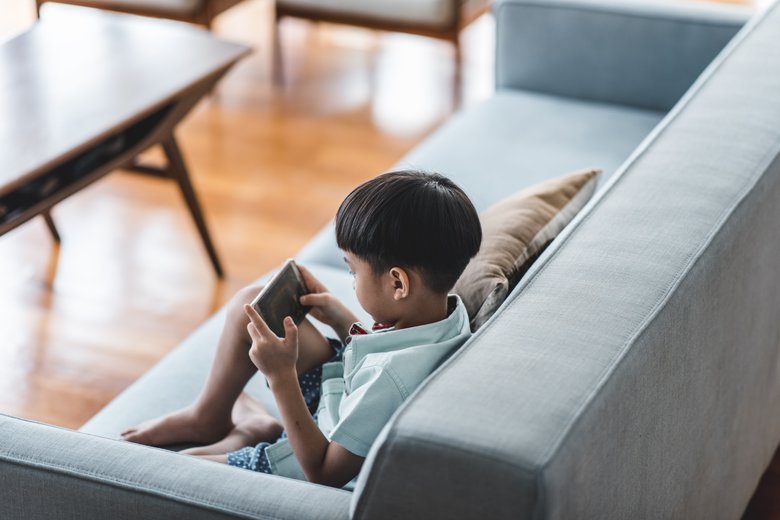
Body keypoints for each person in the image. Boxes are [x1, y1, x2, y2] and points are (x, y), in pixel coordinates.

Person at [121, 170, 482, 488]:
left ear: (398, 284)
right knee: (252, 307)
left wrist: (280, 375)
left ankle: (253, 433)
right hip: (341, 396)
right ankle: (208, 417)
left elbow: (324, 473)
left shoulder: (389, 381)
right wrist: (341, 319)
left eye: (354, 271)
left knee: (170, 472)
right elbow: (388, 360)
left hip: (312, 452)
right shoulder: (448, 314)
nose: (351, 280)